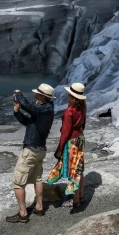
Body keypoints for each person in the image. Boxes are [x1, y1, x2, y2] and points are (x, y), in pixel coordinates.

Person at [6, 83, 55, 223]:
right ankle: (39, 207)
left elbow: (29, 106)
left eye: (37, 94)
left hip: (31, 150)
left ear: (43, 96)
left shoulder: (43, 108)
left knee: (18, 182)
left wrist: (18, 93)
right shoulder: (46, 109)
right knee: (37, 179)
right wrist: (17, 112)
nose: (35, 96)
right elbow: (29, 122)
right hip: (40, 150)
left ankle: (23, 213)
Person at [47, 82, 87, 211]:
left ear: (71, 96)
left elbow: (65, 132)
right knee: (79, 169)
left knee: (72, 171)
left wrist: (60, 149)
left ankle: (74, 201)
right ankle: (80, 196)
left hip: (72, 142)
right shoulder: (83, 107)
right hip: (80, 139)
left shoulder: (69, 111)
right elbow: (83, 125)